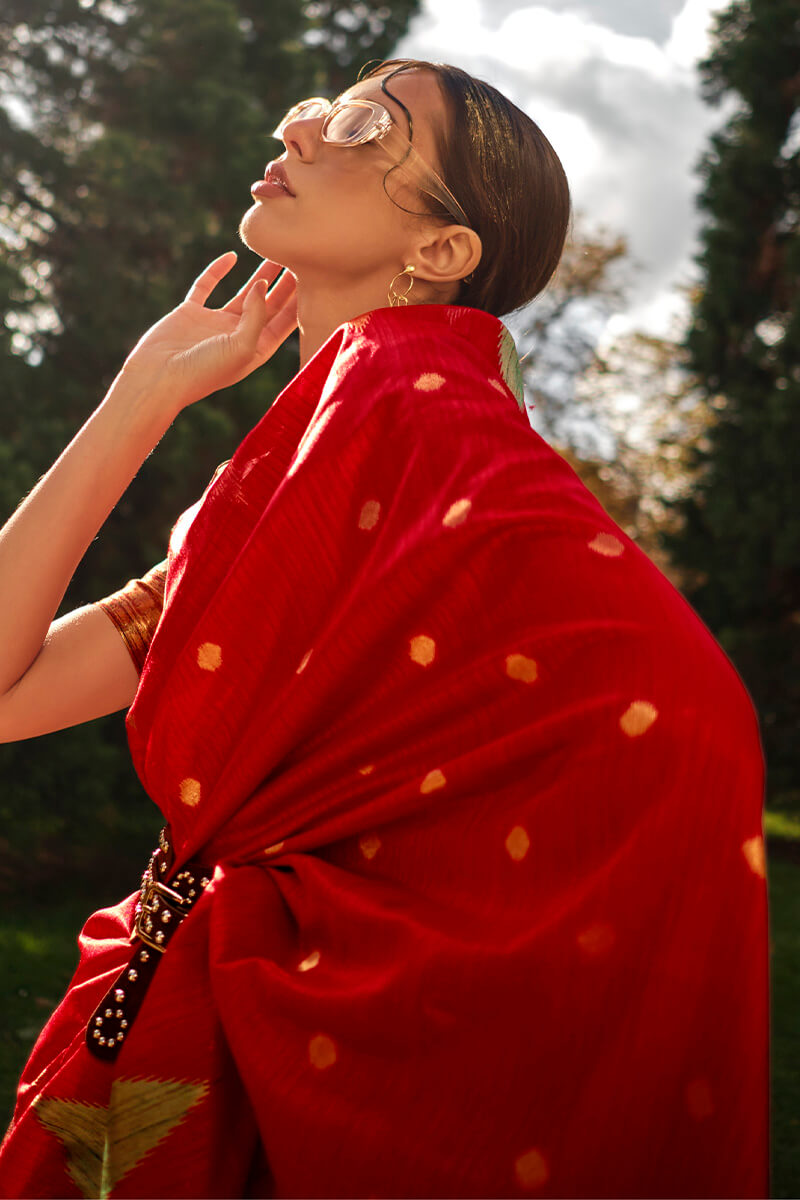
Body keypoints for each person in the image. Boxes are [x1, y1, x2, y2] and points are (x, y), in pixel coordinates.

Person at [0, 57, 768, 1199]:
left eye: (367, 125)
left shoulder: (433, 430)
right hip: (173, 1015)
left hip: (325, 1033)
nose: (304, 131)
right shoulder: (280, 498)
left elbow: (675, 708)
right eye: (314, 109)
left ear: (443, 252)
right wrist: (140, 397)